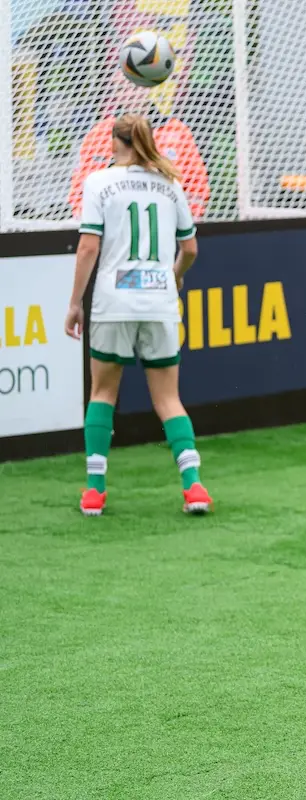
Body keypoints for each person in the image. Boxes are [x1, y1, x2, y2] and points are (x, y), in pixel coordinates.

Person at [65, 113, 213, 517]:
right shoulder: (171, 184)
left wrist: (75, 302)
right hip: (159, 301)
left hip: (114, 301)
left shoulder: (99, 181)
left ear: (116, 142)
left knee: (102, 393)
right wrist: (174, 276)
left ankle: (95, 490)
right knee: (169, 399)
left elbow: (88, 248)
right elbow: (191, 249)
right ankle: (194, 486)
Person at [69, 73, 210, 221]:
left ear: (147, 86)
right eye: (122, 88)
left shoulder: (176, 132)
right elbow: (79, 190)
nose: (130, 94)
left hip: (164, 226)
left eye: (135, 86)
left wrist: (181, 220)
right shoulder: (99, 134)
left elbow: (198, 188)